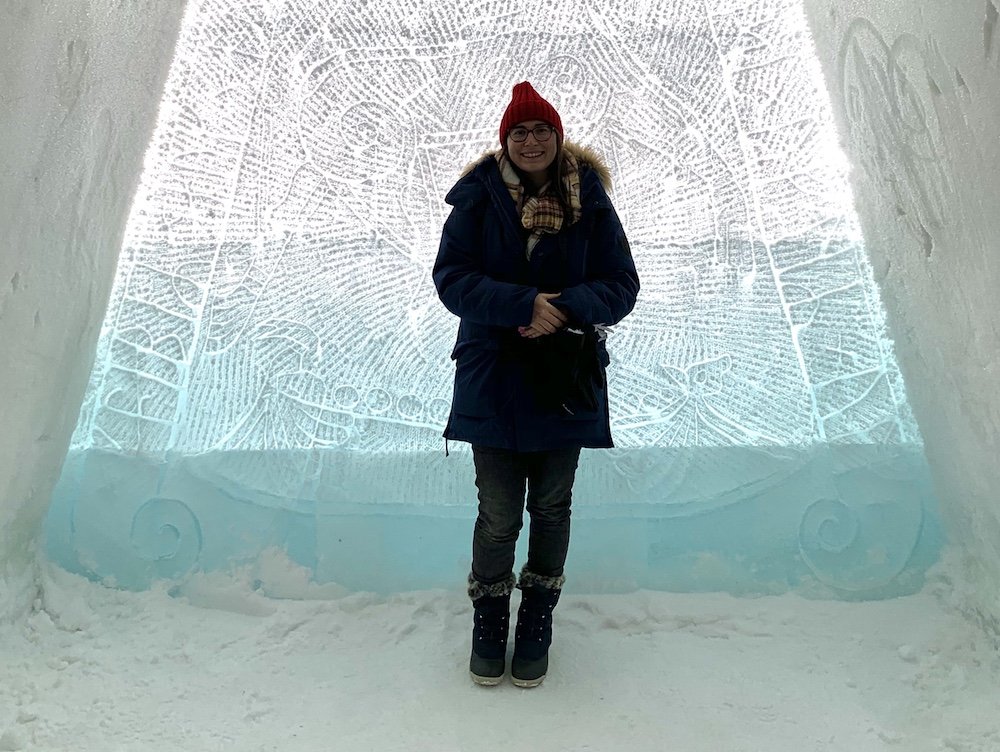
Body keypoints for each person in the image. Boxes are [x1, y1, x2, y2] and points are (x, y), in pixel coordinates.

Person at [432, 81, 640, 688]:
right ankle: (491, 615)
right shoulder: (477, 200)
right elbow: (451, 279)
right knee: (497, 514)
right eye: (519, 132)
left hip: (564, 381)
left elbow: (622, 283)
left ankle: (538, 616)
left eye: (541, 129)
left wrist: (566, 307)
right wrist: (521, 304)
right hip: (493, 379)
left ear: (558, 135)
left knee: (551, 507)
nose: (530, 140)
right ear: (505, 140)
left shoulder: (591, 201)